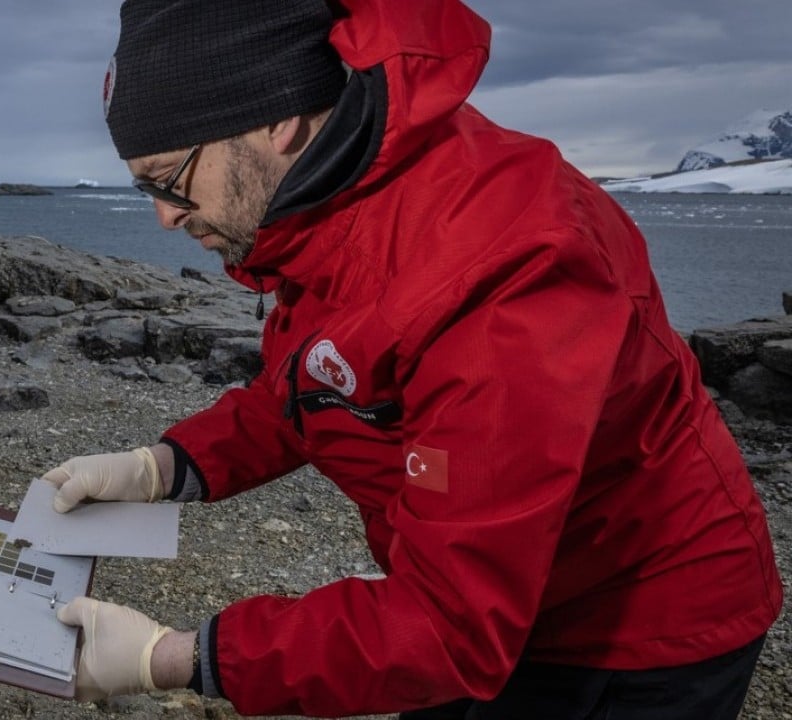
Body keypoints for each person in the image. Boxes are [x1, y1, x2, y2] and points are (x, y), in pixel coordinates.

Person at [45, 0, 785, 717]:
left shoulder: (507, 271)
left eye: (169, 178)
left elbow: (449, 625)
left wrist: (174, 657)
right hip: (484, 586)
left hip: (628, 624)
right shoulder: (332, 200)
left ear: (277, 117)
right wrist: (164, 466)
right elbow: (323, 379)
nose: (165, 217)